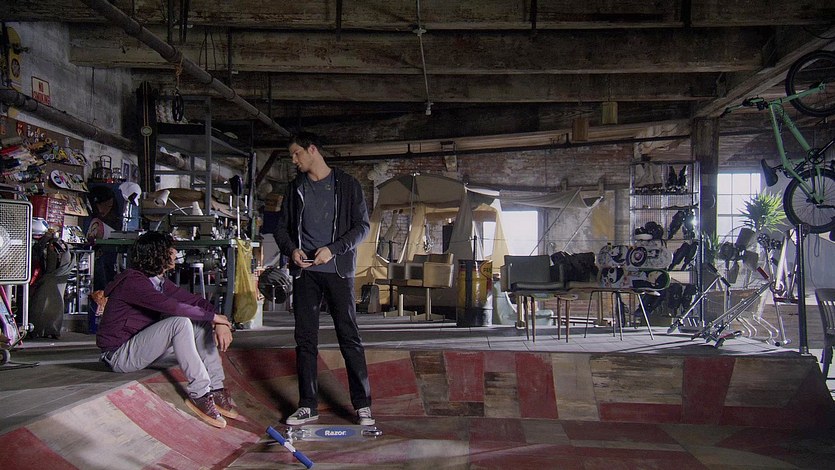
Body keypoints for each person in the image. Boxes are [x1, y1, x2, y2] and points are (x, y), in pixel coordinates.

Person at [273, 131, 374, 426]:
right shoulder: (295, 188)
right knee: (305, 339)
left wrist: (333, 249)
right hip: (305, 273)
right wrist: (292, 250)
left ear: (312, 150)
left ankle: (362, 406)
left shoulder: (347, 185)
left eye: (297, 153)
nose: (294, 160)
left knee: (349, 336)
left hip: (338, 270)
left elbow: (362, 227)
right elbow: (281, 229)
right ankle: (307, 405)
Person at [95, 231, 237, 428]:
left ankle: (216, 388)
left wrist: (219, 322)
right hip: (119, 355)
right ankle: (200, 394)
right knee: (180, 322)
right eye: (171, 249)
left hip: (140, 349)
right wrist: (214, 317)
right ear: (158, 254)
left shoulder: (158, 282)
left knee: (200, 322)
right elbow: (174, 307)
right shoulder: (133, 283)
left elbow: (195, 301)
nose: (175, 253)